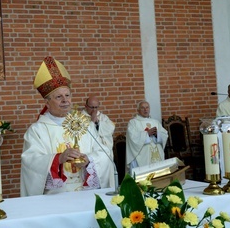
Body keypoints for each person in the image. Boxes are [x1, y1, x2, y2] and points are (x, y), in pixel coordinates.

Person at [21, 56, 114, 196]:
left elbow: (104, 153)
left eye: (67, 95)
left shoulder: (85, 124)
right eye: (59, 97)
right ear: (47, 103)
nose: (65, 100)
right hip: (56, 197)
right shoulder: (37, 130)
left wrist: (89, 160)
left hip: (87, 193)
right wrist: (58, 159)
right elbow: (31, 162)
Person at [126, 100, 168, 172]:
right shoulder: (133, 122)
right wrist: (147, 134)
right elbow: (132, 137)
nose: (145, 110)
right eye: (142, 108)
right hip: (142, 156)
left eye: (147, 107)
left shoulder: (155, 122)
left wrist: (157, 134)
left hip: (156, 153)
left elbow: (165, 135)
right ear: (138, 110)